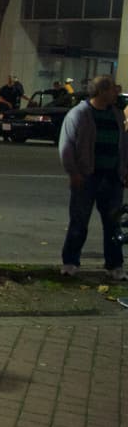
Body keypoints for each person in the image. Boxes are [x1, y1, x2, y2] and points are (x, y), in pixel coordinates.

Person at [58, 74, 128, 281]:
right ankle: (70, 262)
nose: (117, 92)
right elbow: (67, 147)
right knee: (79, 221)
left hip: (112, 177)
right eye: (114, 89)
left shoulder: (115, 115)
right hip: (87, 176)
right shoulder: (79, 114)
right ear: (103, 91)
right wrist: (73, 172)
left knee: (113, 223)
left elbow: (124, 145)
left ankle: (115, 264)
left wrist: (124, 169)